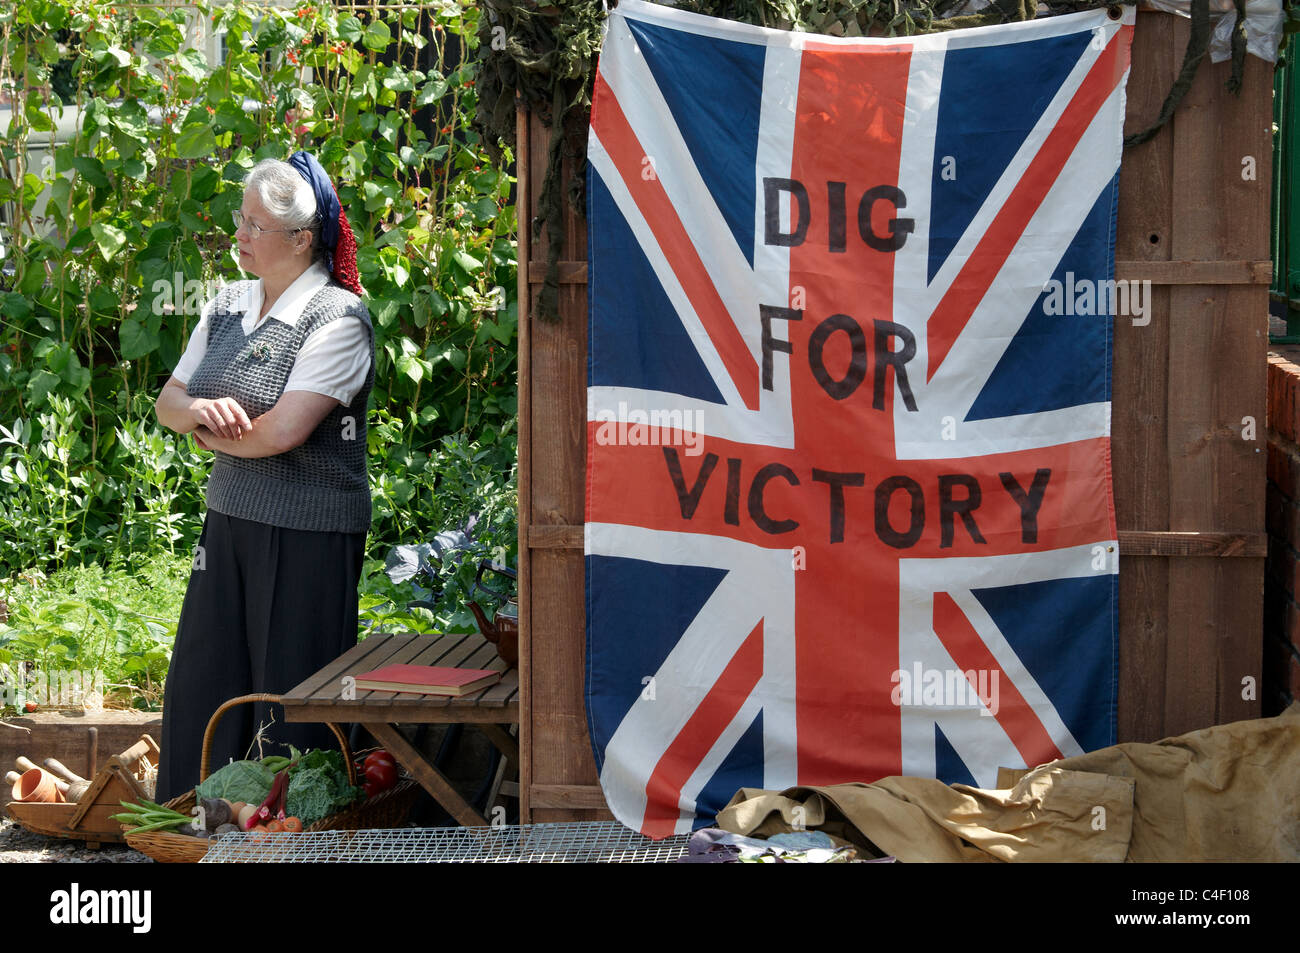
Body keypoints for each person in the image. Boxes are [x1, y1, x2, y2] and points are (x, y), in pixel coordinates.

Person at [152, 151, 374, 802]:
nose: (239, 235)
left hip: (309, 535)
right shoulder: (226, 305)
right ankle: (197, 826)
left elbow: (283, 432)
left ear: (302, 240)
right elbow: (168, 400)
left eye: (255, 225)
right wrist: (193, 411)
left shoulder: (338, 318)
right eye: (240, 219)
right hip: (229, 520)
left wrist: (200, 431)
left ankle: (290, 841)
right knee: (204, 679)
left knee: (289, 697)